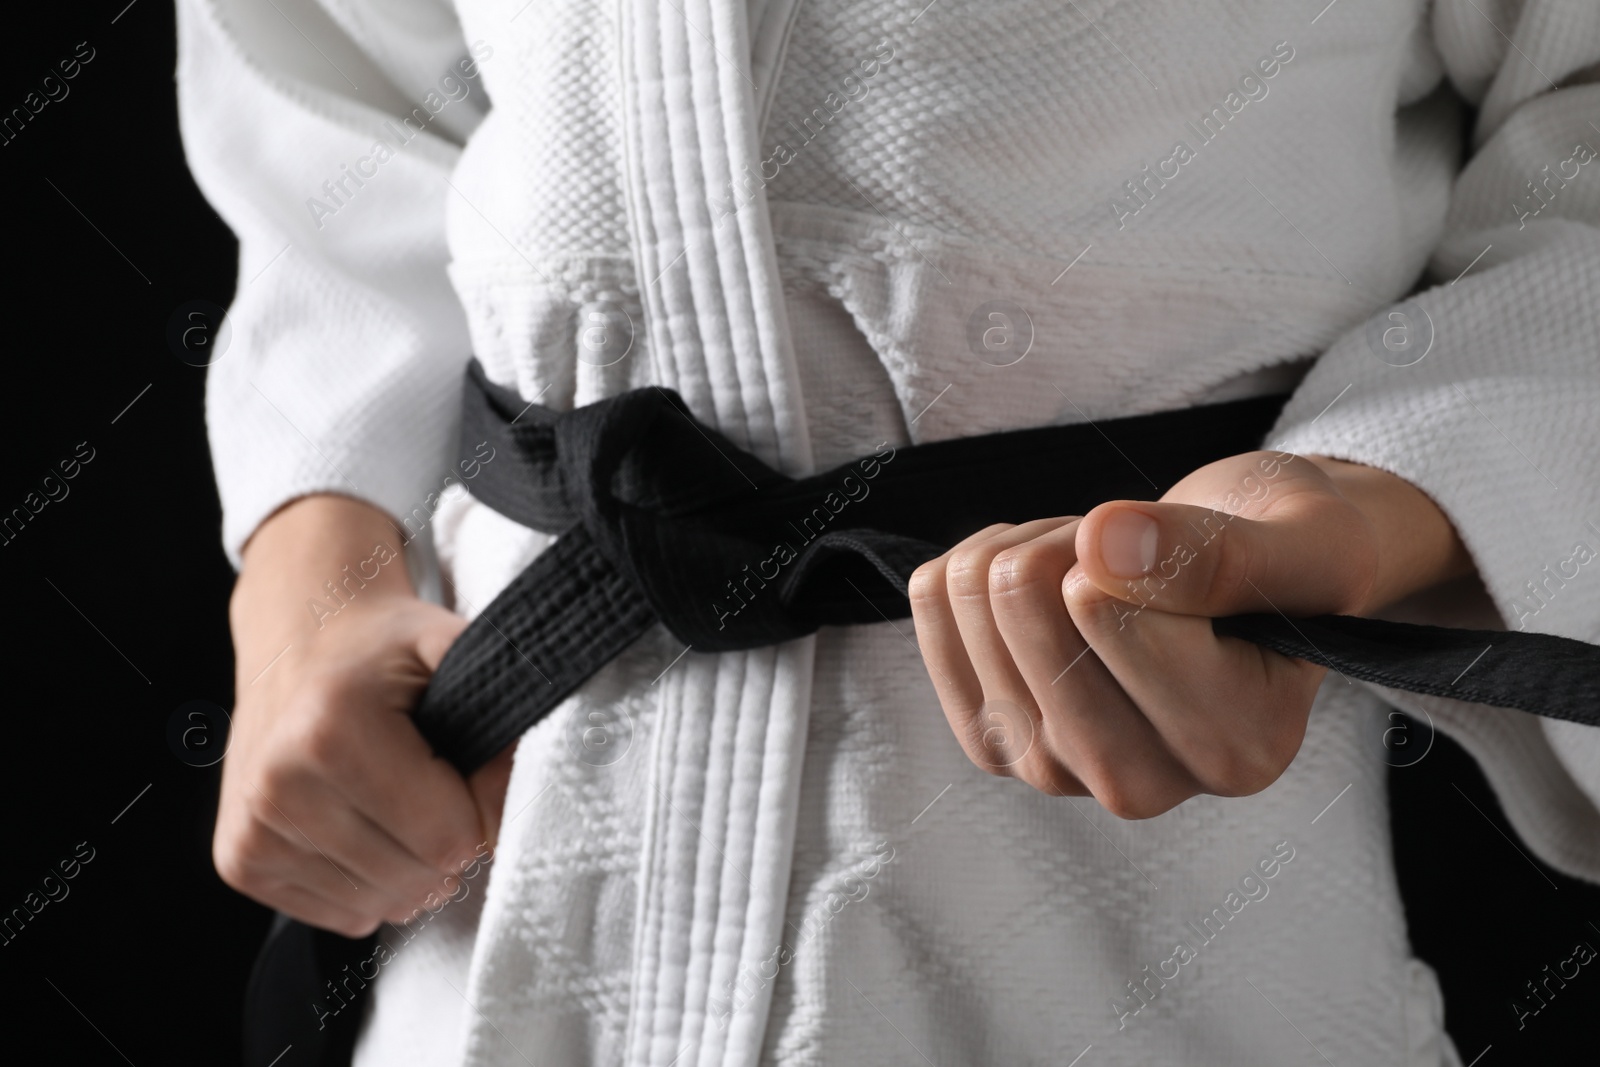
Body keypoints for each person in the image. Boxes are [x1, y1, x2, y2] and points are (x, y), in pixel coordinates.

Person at [177, 0, 1600, 1062]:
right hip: (510, 888)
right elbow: (333, 82)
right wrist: (320, 561)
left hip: (1166, 935)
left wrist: (1379, 505)